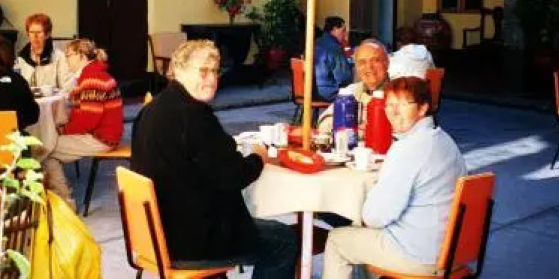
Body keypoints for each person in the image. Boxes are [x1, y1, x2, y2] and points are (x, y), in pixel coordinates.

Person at [131, 40, 296, 277]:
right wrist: (259, 157)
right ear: (178, 70)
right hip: (193, 242)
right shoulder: (193, 116)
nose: (211, 79)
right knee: (284, 240)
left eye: (215, 71)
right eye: (203, 71)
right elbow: (234, 175)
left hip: (156, 234)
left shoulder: (151, 109)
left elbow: (209, 161)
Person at [322, 77, 467, 279]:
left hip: (418, 255)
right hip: (452, 252)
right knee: (363, 236)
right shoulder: (444, 140)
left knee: (337, 241)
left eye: (403, 104)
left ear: (423, 108)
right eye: (390, 104)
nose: (394, 112)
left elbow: (374, 217)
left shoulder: (407, 148)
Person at [43, 39, 124, 205]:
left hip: (101, 138)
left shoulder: (92, 79)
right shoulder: (91, 74)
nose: (66, 60)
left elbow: (87, 121)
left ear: (82, 56)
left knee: (45, 149)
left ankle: (65, 203)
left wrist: (61, 130)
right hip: (102, 134)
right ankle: (62, 199)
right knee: (46, 145)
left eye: (69, 55)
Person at [318, 38, 390, 134]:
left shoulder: (399, 93)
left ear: (387, 63)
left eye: (375, 60)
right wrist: (351, 126)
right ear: (356, 67)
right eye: (362, 62)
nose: (369, 67)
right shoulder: (350, 92)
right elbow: (324, 123)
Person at [16, 13, 74, 92]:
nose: (35, 36)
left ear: (47, 34)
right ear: (28, 34)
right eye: (32, 32)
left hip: (51, 98)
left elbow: (66, 87)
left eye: (39, 32)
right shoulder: (22, 58)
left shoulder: (58, 57)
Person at [314, 16, 354, 101]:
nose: (345, 34)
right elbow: (343, 78)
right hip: (327, 93)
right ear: (335, 29)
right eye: (343, 30)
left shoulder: (315, 42)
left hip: (310, 90)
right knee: (360, 92)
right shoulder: (334, 48)